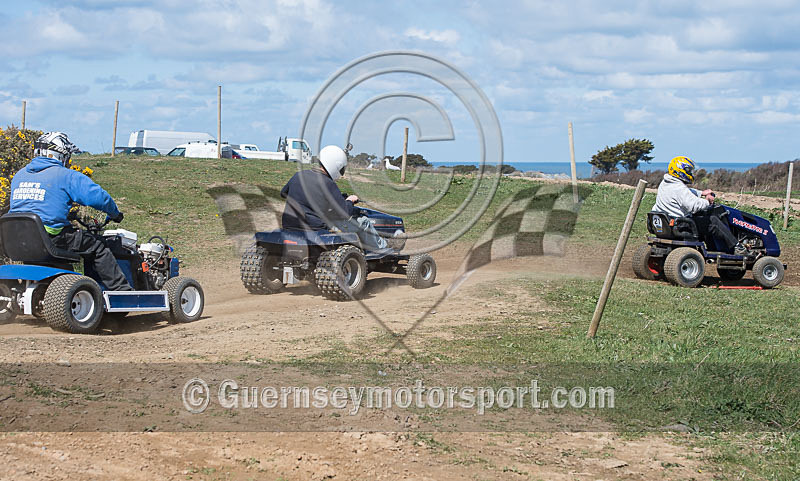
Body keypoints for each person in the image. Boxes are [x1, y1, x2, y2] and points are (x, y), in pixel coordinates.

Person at [9, 132, 132, 290]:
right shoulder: (65, 175)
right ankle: (121, 290)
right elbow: (98, 198)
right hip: (51, 237)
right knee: (97, 246)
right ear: (59, 155)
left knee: (62, 251)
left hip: (18, 238)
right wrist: (114, 213)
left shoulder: (20, 175)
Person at [280, 145, 387, 250]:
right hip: (315, 228)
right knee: (363, 221)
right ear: (336, 165)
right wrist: (350, 201)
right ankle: (383, 248)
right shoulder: (328, 183)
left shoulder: (298, 175)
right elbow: (345, 213)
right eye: (341, 169)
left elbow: (283, 193)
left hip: (289, 224)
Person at [652, 156, 743, 255]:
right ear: (680, 170)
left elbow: (685, 193)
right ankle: (737, 247)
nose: (690, 173)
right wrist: (707, 201)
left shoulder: (666, 183)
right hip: (681, 225)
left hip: (668, 223)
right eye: (688, 171)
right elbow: (693, 206)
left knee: (702, 220)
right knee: (713, 222)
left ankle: (713, 248)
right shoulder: (679, 188)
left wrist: (701, 193)